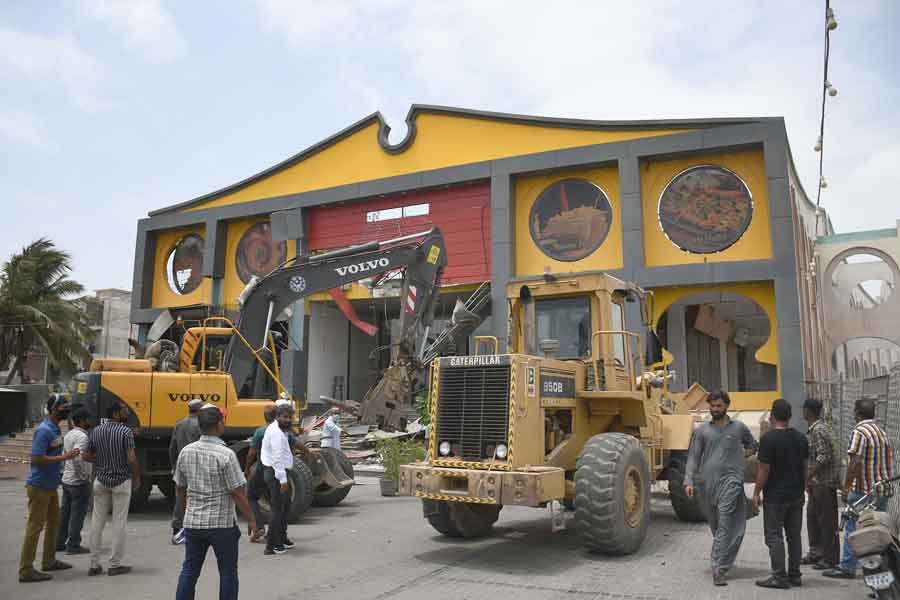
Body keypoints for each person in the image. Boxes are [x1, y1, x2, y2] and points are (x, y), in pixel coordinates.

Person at [174, 404, 257, 600]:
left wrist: (187, 513)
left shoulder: (186, 451)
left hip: (193, 524)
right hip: (222, 525)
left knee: (189, 571)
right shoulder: (226, 454)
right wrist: (252, 519)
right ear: (219, 424)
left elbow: (179, 487)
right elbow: (237, 492)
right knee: (228, 573)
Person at [684, 390, 759, 587]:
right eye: (712, 406)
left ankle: (718, 567)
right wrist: (688, 481)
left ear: (726, 406)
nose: (714, 409)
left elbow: (752, 444)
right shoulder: (702, 431)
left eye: (718, 406)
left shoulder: (739, 428)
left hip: (732, 481)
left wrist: (741, 457)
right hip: (707, 485)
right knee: (717, 525)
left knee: (726, 520)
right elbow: (693, 457)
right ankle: (724, 556)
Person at [824, 397, 894, 580]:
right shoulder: (881, 431)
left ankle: (847, 566)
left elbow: (855, 461)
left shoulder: (859, 431)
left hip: (864, 491)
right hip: (882, 490)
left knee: (853, 527)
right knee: (877, 533)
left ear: (856, 413)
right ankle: (878, 574)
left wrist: (847, 487)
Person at [18, 395, 80, 583]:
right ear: (54, 409)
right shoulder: (44, 430)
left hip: (51, 485)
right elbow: (36, 458)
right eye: (64, 407)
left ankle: (49, 560)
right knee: (35, 527)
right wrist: (64, 458)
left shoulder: (54, 428)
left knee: (54, 523)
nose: (67, 409)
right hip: (39, 486)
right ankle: (26, 570)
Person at [752, 398, 808, 589]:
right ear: (790, 416)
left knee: (774, 536)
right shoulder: (801, 438)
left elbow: (764, 470)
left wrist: (756, 492)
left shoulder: (768, 439)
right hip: (796, 496)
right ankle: (795, 575)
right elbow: (805, 467)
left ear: (771, 416)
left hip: (775, 498)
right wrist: (803, 488)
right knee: (794, 536)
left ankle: (779, 576)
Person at [84, 401, 141, 577]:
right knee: (119, 523)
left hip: (101, 480)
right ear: (116, 414)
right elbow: (131, 459)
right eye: (124, 410)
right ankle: (114, 564)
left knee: (96, 522)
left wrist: (101, 461)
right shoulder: (126, 432)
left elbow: (86, 455)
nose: (126, 412)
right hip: (121, 481)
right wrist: (136, 476)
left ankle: (94, 564)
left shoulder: (96, 431)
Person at [801, 397, 840, 571]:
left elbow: (824, 456)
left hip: (824, 482)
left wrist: (808, 476)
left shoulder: (818, 430)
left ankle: (829, 558)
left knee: (826, 521)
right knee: (813, 518)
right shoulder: (815, 429)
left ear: (808, 411)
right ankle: (816, 553)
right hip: (817, 484)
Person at [56, 407, 93, 555]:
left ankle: (58, 542)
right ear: (83, 420)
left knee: (65, 513)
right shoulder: (83, 437)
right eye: (88, 419)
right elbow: (78, 458)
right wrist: (83, 476)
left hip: (67, 479)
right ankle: (73, 545)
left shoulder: (70, 434)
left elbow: (67, 456)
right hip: (78, 482)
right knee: (77, 514)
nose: (90, 421)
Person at [260, 402, 295, 555]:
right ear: (277, 417)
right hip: (275, 473)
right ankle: (272, 545)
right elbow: (277, 458)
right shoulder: (276, 433)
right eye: (284, 417)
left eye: (290, 417)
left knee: (284, 506)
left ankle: (281, 537)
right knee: (277, 509)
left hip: (277, 471)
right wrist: (283, 480)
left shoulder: (282, 430)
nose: (288, 420)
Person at [170, 398, 203, 544]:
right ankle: (194, 527)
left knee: (180, 495)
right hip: (196, 465)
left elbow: (172, 447)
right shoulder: (200, 425)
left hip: (181, 464)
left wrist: (174, 465)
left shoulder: (179, 424)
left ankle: (177, 526)